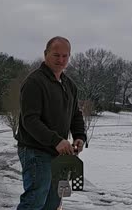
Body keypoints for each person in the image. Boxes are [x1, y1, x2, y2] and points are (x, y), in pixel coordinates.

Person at [16, 36, 86, 210]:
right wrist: (56, 140)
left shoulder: (70, 85)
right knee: (35, 200)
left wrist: (79, 136)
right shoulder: (34, 82)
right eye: (56, 55)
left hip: (58, 155)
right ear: (46, 54)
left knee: (54, 202)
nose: (61, 60)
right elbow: (30, 120)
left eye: (65, 56)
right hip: (35, 151)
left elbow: (75, 115)